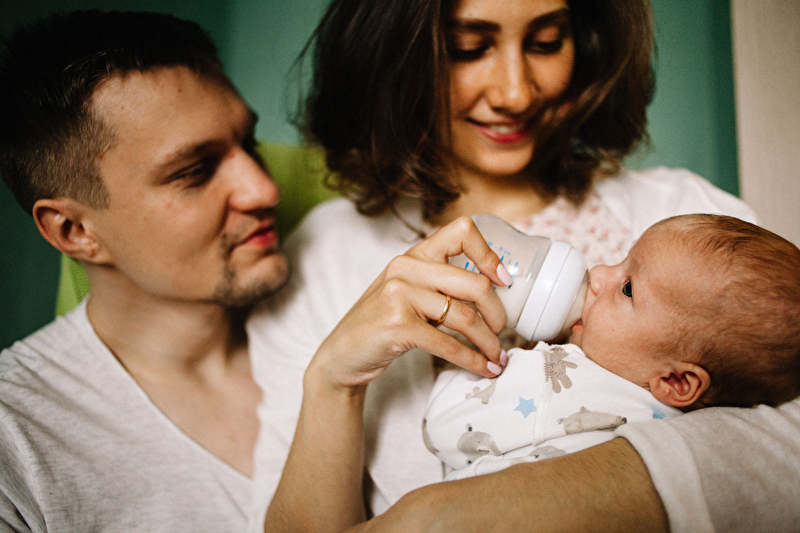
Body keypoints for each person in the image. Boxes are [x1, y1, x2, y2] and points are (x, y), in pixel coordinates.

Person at [248, 0, 800, 531]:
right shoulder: (325, 255)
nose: (514, 93)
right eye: (468, 48)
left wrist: (516, 507)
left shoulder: (683, 218)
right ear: (395, 52)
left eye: (545, 42)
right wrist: (333, 382)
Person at [0, 11, 291, 531]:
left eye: (249, 144)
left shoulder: (332, 305)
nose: (264, 190)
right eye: (194, 171)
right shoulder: (15, 439)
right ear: (74, 231)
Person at [425, 214, 800, 480]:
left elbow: (443, 427)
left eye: (628, 288)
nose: (599, 273)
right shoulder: (683, 434)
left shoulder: (558, 378)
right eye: (621, 261)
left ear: (676, 382)